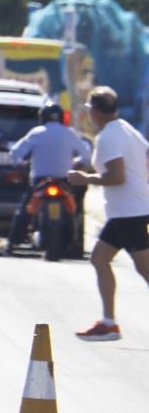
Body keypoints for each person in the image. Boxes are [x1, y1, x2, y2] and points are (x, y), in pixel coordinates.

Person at [63, 86, 149, 341]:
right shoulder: (126, 129)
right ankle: (109, 323)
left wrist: (84, 178)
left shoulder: (110, 136)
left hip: (131, 212)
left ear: (93, 111)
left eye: (88, 109)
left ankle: (109, 323)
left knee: (145, 270)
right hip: (126, 211)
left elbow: (117, 176)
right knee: (100, 259)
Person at [0, 103, 91, 254]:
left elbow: (15, 153)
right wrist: (76, 162)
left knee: (24, 210)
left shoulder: (37, 133)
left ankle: (12, 243)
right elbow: (86, 155)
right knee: (74, 211)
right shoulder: (69, 133)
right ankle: (75, 245)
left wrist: (21, 164)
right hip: (64, 181)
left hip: (40, 181)